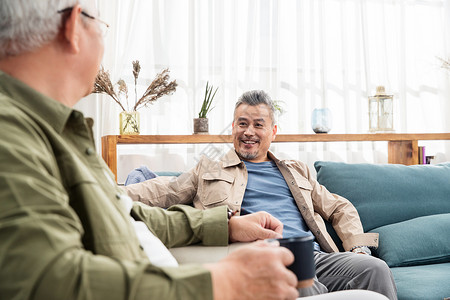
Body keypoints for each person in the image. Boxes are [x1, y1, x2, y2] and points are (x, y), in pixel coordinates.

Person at [0, 1, 302, 299]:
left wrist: (227, 225)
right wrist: (221, 282)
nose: (249, 132)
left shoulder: (56, 132)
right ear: (73, 27)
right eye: (103, 25)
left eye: (258, 124)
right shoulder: (11, 133)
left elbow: (131, 215)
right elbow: (48, 280)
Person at [124, 90, 398, 299]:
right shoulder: (209, 168)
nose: (249, 132)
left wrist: (360, 248)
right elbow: (164, 191)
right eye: (242, 123)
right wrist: (110, 193)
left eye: (258, 124)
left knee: (374, 270)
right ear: (232, 128)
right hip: (260, 255)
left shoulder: (296, 170)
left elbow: (339, 207)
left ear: (273, 132)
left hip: (313, 255)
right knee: (301, 282)